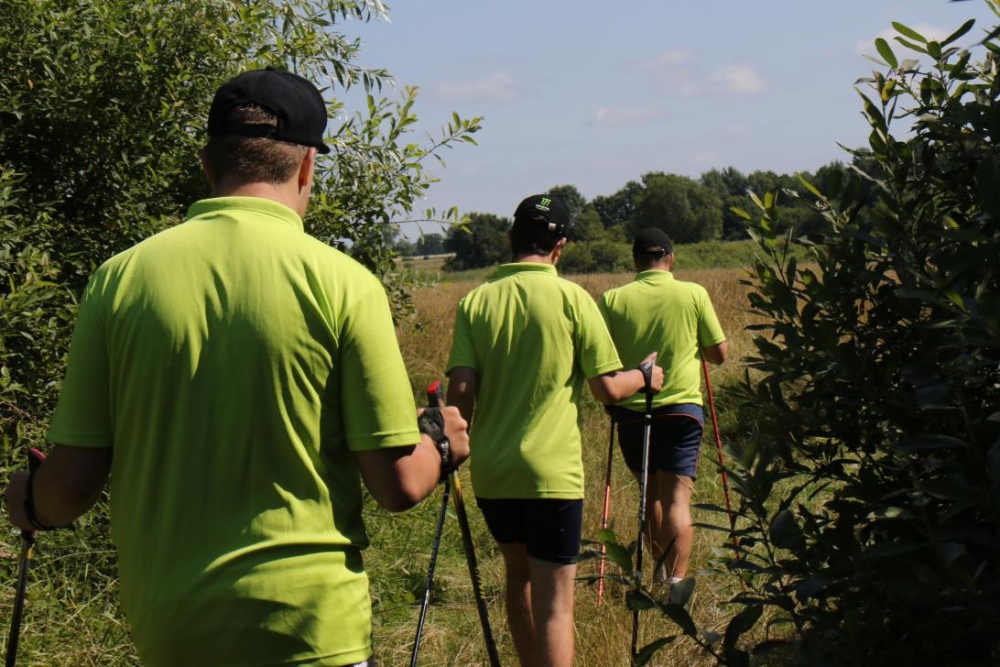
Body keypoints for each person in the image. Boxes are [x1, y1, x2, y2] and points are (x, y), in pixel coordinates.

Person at [3, 67, 469, 667]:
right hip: (314, 630)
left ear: (208, 163)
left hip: (173, 633)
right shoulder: (346, 285)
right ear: (307, 167)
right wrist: (441, 443)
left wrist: (31, 503)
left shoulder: (118, 281)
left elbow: (70, 488)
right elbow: (399, 485)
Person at [446, 195, 663, 667]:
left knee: (518, 576)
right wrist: (645, 376)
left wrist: (449, 446)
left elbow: (460, 391)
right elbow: (608, 389)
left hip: (494, 473)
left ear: (511, 237)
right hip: (551, 475)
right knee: (556, 605)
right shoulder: (572, 299)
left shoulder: (475, 301)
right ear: (560, 246)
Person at [598, 227, 728, 586]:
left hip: (631, 410)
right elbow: (718, 354)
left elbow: (601, 360)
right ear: (671, 258)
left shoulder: (612, 300)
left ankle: (659, 573)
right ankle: (676, 585)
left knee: (650, 493)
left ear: (635, 260)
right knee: (677, 498)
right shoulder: (693, 293)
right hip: (682, 409)